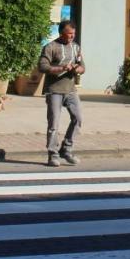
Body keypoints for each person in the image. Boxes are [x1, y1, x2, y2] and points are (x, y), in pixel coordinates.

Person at [37, 20, 84, 167]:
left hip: (70, 90)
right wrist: (62, 68)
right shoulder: (50, 47)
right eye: (69, 34)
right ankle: (53, 154)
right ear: (61, 33)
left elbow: (83, 67)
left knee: (78, 118)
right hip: (54, 91)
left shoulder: (76, 48)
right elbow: (42, 66)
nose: (71, 37)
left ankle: (67, 149)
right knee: (54, 125)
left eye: (73, 34)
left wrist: (77, 69)